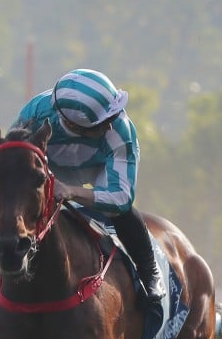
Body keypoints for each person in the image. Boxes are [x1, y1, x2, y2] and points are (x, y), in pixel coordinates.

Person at [12, 68, 164, 302]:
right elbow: (13, 166)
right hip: (51, 164)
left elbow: (121, 198)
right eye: (104, 123)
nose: (112, 125)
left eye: (113, 116)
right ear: (73, 125)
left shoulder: (120, 130)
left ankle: (149, 270)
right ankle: (11, 273)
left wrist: (71, 191)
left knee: (119, 213)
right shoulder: (31, 118)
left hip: (98, 166)